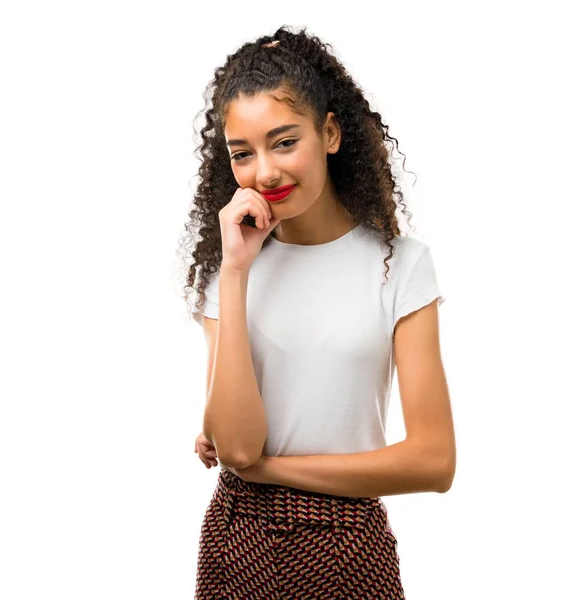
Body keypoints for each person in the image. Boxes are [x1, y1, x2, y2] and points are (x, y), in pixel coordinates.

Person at [179, 25, 456, 600]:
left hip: (349, 544)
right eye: (243, 154)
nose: (265, 173)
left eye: (284, 142)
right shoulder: (228, 269)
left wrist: (272, 470)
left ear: (329, 132)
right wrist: (234, 274)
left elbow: (434, 460)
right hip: (238, 541)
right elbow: (234, 448)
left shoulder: (398, 265)